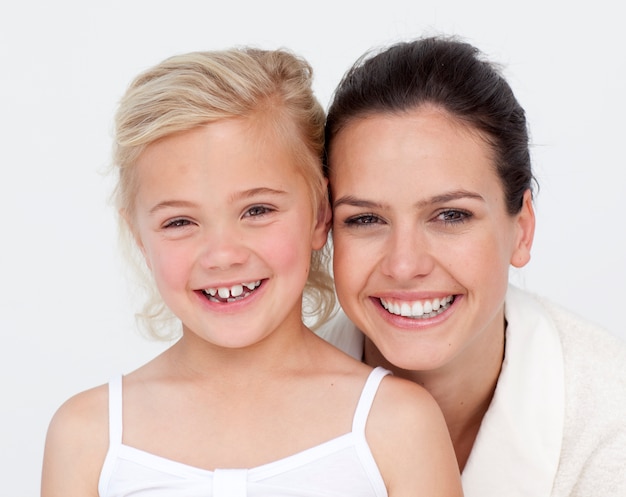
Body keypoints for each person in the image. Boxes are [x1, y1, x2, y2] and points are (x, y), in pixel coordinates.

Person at [40, 47, 463, 497]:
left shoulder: (397, 425)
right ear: (140, 237)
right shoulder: (88, 437)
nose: (222, 256)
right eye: (179, 222)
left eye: (257, 210)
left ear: (320, 214)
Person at [318, 35, 626, 497]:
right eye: (364, 219)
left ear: (521, 230)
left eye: (450, 215)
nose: (404, 265)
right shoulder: (256, 408)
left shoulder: (610, 422)